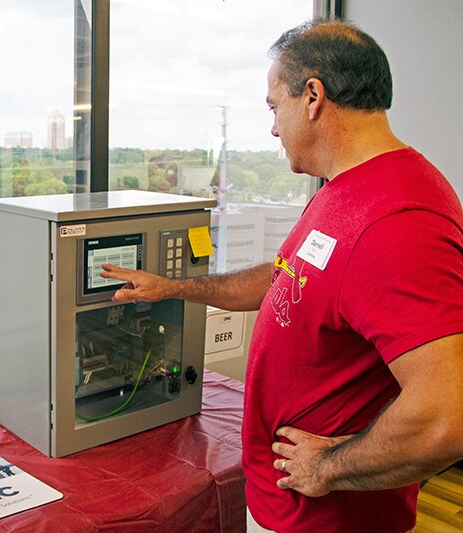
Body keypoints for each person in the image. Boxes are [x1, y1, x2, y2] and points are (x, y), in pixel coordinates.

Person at [101, 20, 463, 533]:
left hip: (329, 517)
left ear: (313, 96)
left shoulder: (399, 219)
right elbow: (285, 282)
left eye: (274, 107)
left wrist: (328, 467)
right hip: (284, 501)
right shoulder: (341, 192)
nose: (273, 128)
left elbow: (446, 417)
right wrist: (175, 288)